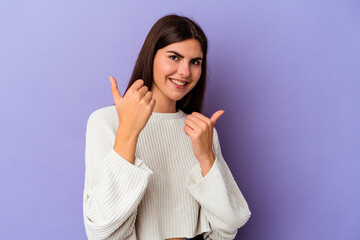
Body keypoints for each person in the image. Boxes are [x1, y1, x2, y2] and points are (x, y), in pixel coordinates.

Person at [83, 14, 251, 240]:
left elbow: (227, 228)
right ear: (151, 56)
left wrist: (206, 158)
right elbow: (102, 230)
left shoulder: (201, 132)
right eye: (174, 57)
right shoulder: (106, 122)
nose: (185, 72)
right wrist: (128, 131)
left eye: (195, 62)